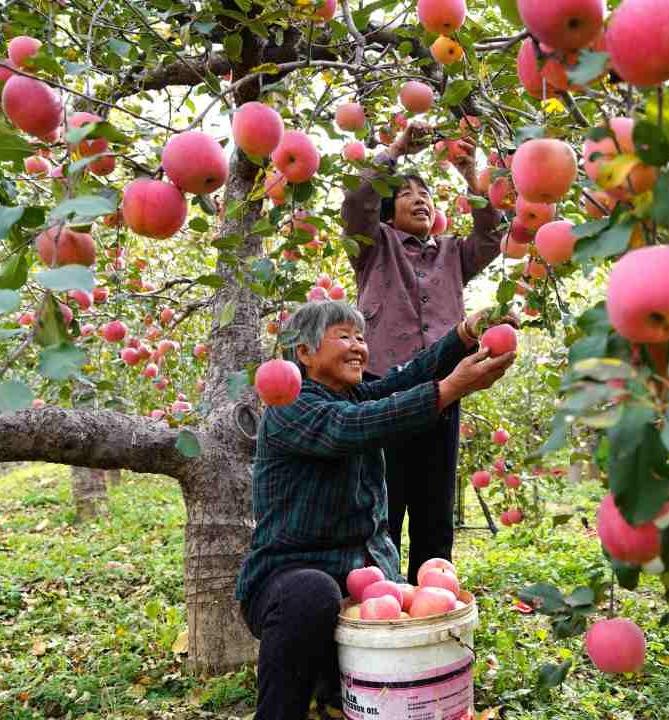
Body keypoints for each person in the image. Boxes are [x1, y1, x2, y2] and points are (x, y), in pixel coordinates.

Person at [235, 300, 514, 720]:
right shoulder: (289, 406)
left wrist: (465, 333)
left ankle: (337, 693)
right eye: (343, 336)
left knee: (390, 630)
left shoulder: (355, 394)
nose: (358, 347)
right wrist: (450, 389)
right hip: (288, 581)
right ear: (304, 354)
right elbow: (352, 426)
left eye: (361, 338)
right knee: (312, 594)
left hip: (361, 581)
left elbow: (409, 377)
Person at [341, 119, 504, 582]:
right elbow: (357, 202)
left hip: (443, 390)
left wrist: (471, 173)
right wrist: (394, 148)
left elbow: (492, 237)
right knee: (383, 506)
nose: (421, 199)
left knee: (435, 510)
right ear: (390, 212)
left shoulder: (453, 253)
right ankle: (384, 603)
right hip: (382, 388)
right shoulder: (374, 246)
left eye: (426, 194)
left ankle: (433, 600)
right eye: (408, 193)